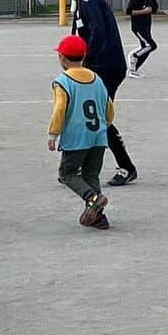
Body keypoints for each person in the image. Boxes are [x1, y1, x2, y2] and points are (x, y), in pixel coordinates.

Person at [56, 0, 138, 186]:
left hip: (106, 66)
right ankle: (74, 167)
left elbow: (98, 30)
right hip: (101, 65)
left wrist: (84, 62)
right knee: (89, 114)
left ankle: (126, 167)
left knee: (99, 117)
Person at [48, 35, 113, 230]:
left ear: (62, 59)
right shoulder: (97, 79)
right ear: (83, 56)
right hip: (98, 137)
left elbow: (60, 109)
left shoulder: (62, 82)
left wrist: (53, 134)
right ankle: (99, 218)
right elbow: (108, 107)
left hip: (77, 138)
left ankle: (93, 197)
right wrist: (105, 126)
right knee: (91, 175)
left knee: (67, 173)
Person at [125, 0, 161, 78]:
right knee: (152, 46)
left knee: (146, 48)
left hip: (147, 27)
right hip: (138, 27)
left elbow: (154, 9)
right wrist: (143, 11)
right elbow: (128, 11)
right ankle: (134, 56)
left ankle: (133, 70)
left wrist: (164, 12)